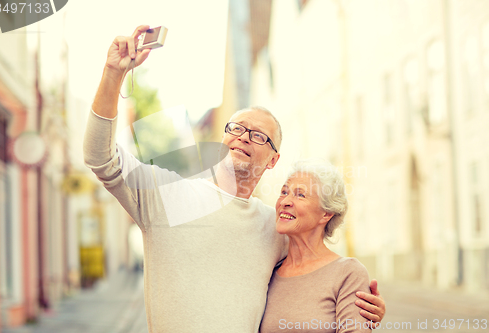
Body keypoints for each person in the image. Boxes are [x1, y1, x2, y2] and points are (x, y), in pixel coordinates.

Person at [83, 25, 385, 333]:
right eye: (236, 128)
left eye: (257, 135)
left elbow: (313, 271)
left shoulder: (276, 227)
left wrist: (360, 309)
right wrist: (112, 74)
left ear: (273, 160)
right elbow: (100, 157)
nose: (242, 138)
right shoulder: (166, 195)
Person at [260, 160, 372, 332]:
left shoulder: (348, 273)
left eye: (300, 195)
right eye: (284, 192)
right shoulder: (267, 271)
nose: (285, 201)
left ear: (326, 214)